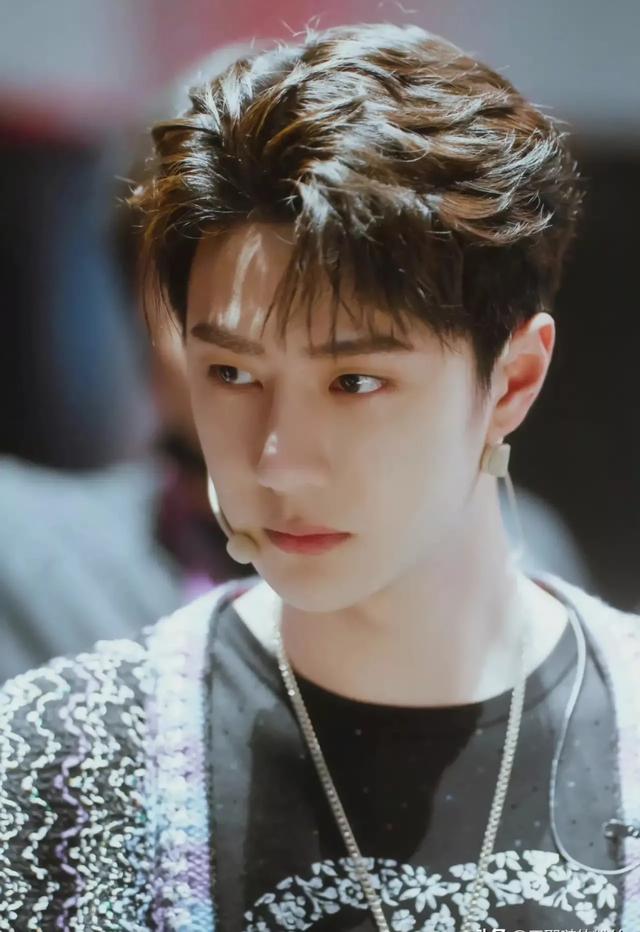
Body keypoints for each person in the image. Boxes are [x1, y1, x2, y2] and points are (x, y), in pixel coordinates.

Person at [1, 22, 638, 932]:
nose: (278, 461)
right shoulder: (60, 764)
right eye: (232, 374)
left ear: (513, 380)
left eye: (355, 383)